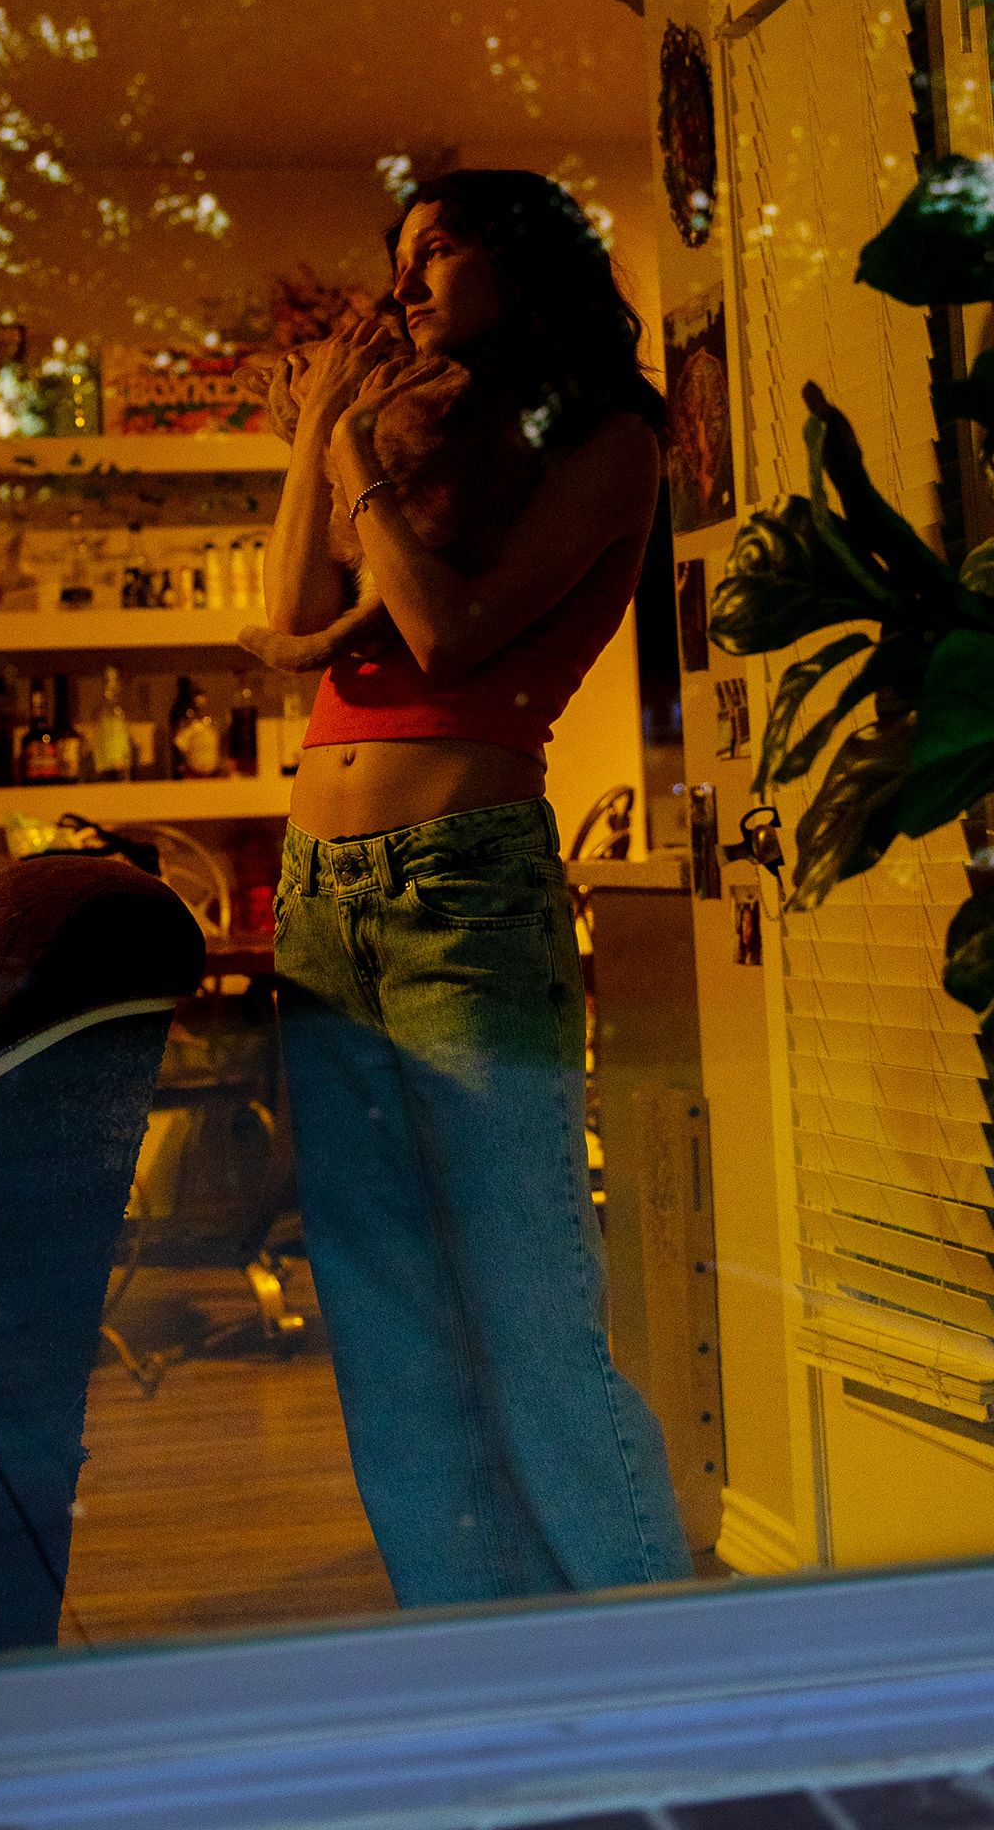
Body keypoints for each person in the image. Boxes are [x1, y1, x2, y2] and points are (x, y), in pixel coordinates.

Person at [258, 170, 692, 1608]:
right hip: (318, 896)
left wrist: (351, 459)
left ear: (528, 258)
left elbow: (449, 638)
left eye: (438, 248)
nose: (409, 281)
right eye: (402, 257)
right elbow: (287, 619)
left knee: (527, 1312)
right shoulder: (416, 449)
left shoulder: (609, 440)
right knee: (384, 1321)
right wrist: (320, 431)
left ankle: (656, 1656)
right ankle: (477, 1652)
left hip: (461, 888)